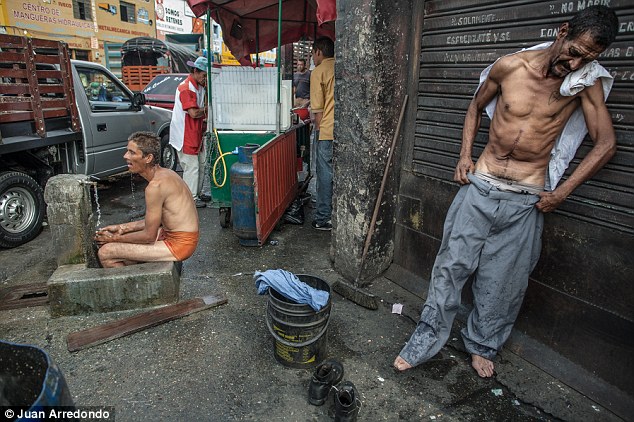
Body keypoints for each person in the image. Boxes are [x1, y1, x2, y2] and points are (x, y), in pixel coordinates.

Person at [394, 5, 618, 378]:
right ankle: (426, 338)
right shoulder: (510, 66)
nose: (576, 65)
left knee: (504, 281)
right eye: (575, 52)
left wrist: (562, 192)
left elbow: (606, 144)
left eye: (588, 60)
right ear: (563, 30)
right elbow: (475, 106)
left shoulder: (585, 83)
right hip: (481, 186)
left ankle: (482, 345)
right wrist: (464, 155)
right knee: (450, 267)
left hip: (527, 198)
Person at [95, 132, 200, 268]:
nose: (125, 156)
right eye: (127, 151)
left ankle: (131, 289)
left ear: (148, 158)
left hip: (180, 245)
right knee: (125, 240)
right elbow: (158, 221)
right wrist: (122, 228)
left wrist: (113, 238)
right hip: (175, 235)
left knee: (106, 252)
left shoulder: (155, 186)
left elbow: (149, 236)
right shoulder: (167, 173)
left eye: (132, 153)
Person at [169, 56, 209, 208]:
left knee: (201, 163)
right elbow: (193, 113)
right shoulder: (186, 88)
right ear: (195, 71)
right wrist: (208, 110)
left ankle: (197, 193)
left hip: (196, 131)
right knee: (192, 167)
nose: (205, 79)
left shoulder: (200, 87)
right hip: (185, 133)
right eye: (204, 75)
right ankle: (190, 197)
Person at [310, 37, 336, 231]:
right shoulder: (340, 66)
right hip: (343, 130)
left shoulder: (318, 71)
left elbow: (318, 110)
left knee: (324, 174)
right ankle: (335, 213)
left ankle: (323, 218)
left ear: (319, 52)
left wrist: (318, 133)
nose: (312, 57)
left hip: (326, 131)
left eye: (312, 53)